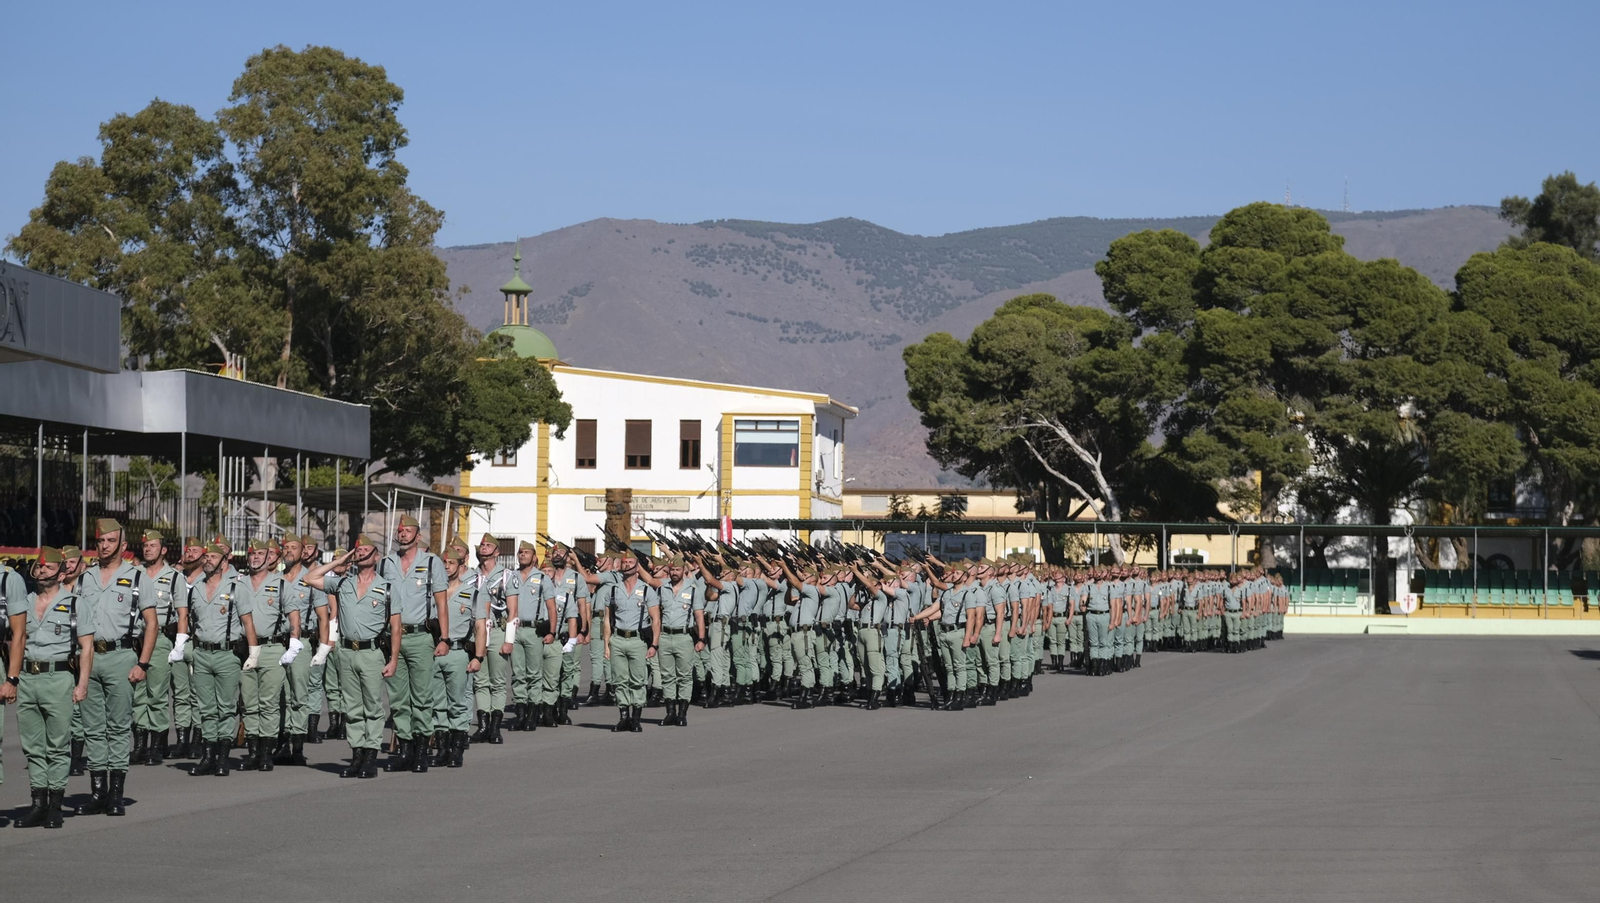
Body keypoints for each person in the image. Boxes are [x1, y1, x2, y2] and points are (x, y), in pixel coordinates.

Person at [2, 548, 93, 829]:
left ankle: (55, 805)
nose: (42, 572)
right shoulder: (23, 602)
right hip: (28, 678)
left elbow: (86, 647)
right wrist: (12, 678)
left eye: (48, 567)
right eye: (38, 568)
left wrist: (82, 684)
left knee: (57, 745)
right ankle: (38, 804)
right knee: (33, 747)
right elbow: (13, 640)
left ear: (62, 572)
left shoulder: (76, 603)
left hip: (58, 677)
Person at [74, 518, 155, 816]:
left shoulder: (136, 577)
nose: (104, 546)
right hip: (89, 658)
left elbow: (151, 623)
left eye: (110, 541)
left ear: (122, 546)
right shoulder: (85, 578)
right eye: (100, 541)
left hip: (121, 657)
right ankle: (98, 792)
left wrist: (142, 663)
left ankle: (116, 795)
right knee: (92, 728)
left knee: (119, 727)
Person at [302, 536, 395, 779]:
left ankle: (371, 757)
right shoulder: (343, 583)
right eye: (358, 550)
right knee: (352, 707)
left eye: (367, 550)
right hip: (346, 651)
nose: (362, 553)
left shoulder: (387, 587)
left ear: (377, 556)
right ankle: (357, 756)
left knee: (373, 707)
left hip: (372, 652)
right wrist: (339, 561)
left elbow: (395, 627)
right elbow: (309, 578)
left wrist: (393, 659)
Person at [376, 514, 448, 772]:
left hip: (420, 637)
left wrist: (444, 638)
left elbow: (441, 603)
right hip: (392, 638)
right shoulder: (385, 564)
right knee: (397, 698)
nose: (402, 534)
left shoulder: (431, 563)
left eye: (408, 531)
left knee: (421, 696)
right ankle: (405, 750)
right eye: (400, 530)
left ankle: (421, 751)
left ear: (418, 536)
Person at [180, 542, 254, 777]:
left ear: (224, 562)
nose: (208, 559)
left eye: (214, 556)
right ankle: (208, 755)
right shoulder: (196, 588)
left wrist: (254, 653)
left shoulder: (236, 588)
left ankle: (223, 757)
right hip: (202, 653)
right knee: (206, 708)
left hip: (226, 654)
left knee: (226, 707)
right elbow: (192, 621)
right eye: (207, 556)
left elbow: (248, 622)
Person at [132, 530, 183, 766]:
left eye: (152, 546)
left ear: (163, 550)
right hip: (135, 638)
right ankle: (140, 744)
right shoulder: (134, 574)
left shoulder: (174, 577)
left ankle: (156, 744)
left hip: (160, 639)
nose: (147, 549)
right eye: (145, 546)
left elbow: (182, 613)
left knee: (157, 693)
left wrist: (179, 643)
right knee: (137, 693)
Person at [432, 547, 486, 766]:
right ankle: (442, 748)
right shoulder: (434, 592)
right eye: (443, 564)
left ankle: (456, 749)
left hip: (458, 651)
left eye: (451, 563)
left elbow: (481, 628)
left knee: (457, 702)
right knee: (438, 703)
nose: (447, 567)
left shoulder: (472, 592)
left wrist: (478, 657)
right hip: (435, 652)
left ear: (460, 565)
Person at [239, 540, 289, 772]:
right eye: (253, 554)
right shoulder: (238, 584)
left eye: (261, 554)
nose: (256, 558)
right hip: (245, 649)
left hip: (270, 647)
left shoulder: (279, 583)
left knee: (269, 703)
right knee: (249, 703)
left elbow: (292, 617)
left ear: (269, 558)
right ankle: (253, 751)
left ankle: (266, 753)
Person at [599, 552, 659, 732]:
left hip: (638, 640)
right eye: (624, 563)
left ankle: (636, 718)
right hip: (618, 638)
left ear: (637, 566)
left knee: (638, 680)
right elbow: (608, 620)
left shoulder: (647, 590)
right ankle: (623, 716)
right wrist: (606, 645)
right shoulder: (613, 590)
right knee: (619, 680)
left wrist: (654, 644)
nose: (626, 566)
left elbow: (656, 619)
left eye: (630, 563)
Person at [470, 534, 518, 743]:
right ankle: (483, 725)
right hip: (477, 632)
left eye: (489, 545)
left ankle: (495, 728)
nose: (484, 548)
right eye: (482, 545)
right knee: (480, 681)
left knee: (497, 682)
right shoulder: (471, 576)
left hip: (498, 631)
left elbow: (513, 611)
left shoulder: (507, 576)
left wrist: (509, 640)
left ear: (497, 552)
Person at [508, 540, 549, 731]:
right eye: (520, 552)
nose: (522, 555)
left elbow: (551, 607)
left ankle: (533, 714)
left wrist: (552, 631)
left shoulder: (542, 578)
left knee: (534, 673)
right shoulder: (511, 576)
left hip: (534, 630)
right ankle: (521, 714)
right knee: (518, 674)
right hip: (515, 629)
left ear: (534, 556)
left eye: (526, 552)